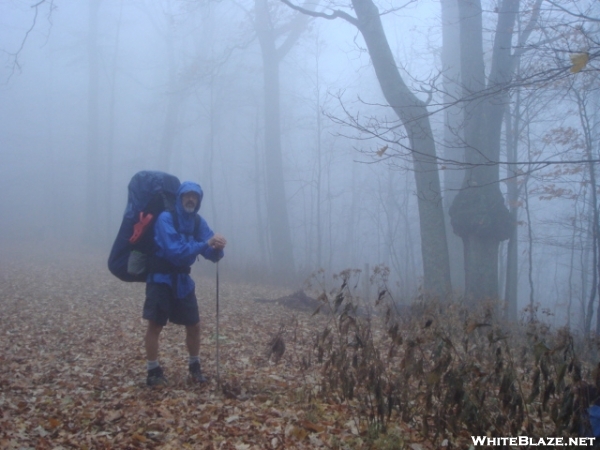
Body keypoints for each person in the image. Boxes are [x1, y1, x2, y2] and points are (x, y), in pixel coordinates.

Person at [143, 181, 226, 386]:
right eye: (187, 195)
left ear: (198, 200)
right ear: (179, 198)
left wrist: (218, 248)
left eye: (195, 196)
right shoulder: (166, 218)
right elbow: (176, 251)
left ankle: (195, 368)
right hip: (160, 278)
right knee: (155, 325)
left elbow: (211, 253)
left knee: (194, 325)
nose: (191, 199)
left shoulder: (197, 222)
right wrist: (206, 243)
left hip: (183, 281)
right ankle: (153, 371)